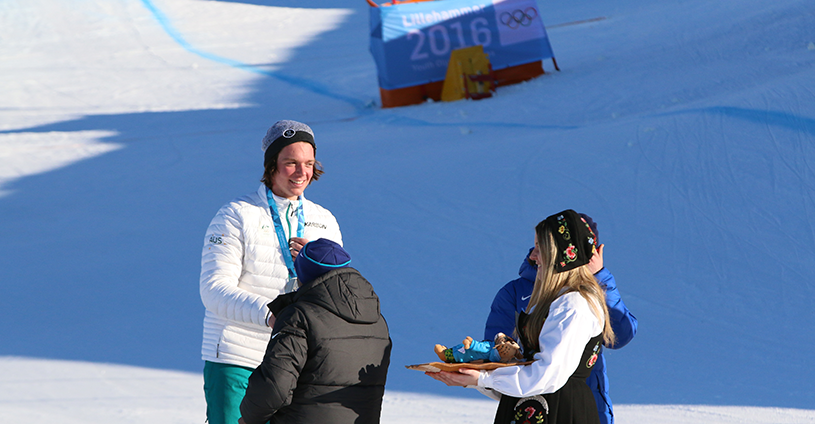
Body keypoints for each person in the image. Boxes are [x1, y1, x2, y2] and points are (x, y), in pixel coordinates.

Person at [199, 120, 343, 424]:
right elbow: (213, 289)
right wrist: (271, 315)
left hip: (296, 362)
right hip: (239, 360)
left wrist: (316, 265)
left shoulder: (324, 220)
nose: (302, 172)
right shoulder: (236, 215)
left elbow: (336, 292)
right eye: (290, 163)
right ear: (271, 165)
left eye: (308, 163)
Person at [427, 209, 615, 424]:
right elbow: (529, 370)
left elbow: (548, 374)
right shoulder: (554, 299)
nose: (533, 257)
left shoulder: (574, 304)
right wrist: (474, 378)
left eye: (539, 248)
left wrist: (483, 378)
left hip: (559, 411)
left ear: (559, 255)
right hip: (532, 407)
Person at [483, 213, 637, 424]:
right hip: (526, 401)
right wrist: (479, 374)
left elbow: (619, 335)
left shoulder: (582, 299)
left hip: (576, 401)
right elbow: (495, 351)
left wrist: (600, 277)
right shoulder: (516, 292)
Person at [239, 238, 392, 424]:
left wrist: (249, 419)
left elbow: (274, 386)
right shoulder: (376, 320)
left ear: (303, 275)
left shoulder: (299, 316)